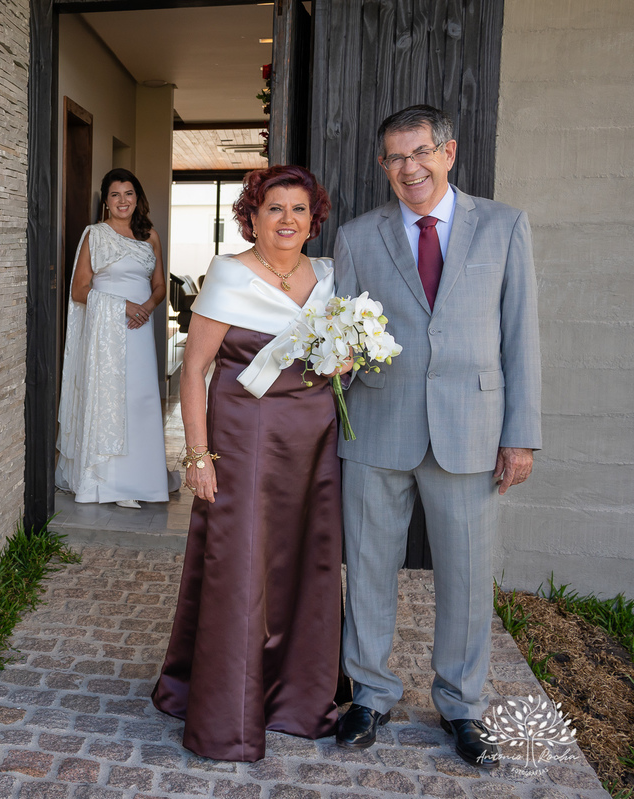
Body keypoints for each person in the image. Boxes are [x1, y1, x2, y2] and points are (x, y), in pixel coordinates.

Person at [333, 105, 541, 768]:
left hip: (471, 430)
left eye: (420, 152)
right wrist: (342, 360)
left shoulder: (504, 226)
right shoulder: (357, 236)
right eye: (394, 157)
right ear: (382, 165)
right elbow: (345, 335)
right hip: (376, 425)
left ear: (449, 152)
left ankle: (461, 704)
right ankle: (369, 691)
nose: (408, 168)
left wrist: (521, 435)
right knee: (367, 568)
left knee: (467, 577)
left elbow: (520, 338)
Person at [152, 165, 345, 762]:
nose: (287, 220)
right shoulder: (229, 274)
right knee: (242, 564)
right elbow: (194, 371)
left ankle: (298, 698)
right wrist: (198, 455)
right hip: (245, 441)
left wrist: (346, 362)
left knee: (304, 565)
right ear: (252, 217)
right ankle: (226, 712)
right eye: (274, 209)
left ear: (315, 218)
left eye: (299, 209)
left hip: (314, 447)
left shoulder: (328, 274)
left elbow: (332, 353)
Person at [55, 168, 169, 510]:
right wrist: (123, 307)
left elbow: (160, 284)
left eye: (129, 193)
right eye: (116, 194)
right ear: (106, 201)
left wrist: (147, 306)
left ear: (138, 198)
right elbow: (79, 290)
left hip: (141, 328)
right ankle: (109, 482)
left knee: (141, 399)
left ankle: (142, 480)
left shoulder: (150, 236)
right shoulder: (95, 235)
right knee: (109, 399)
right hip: (107, 333)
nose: (123, 200)